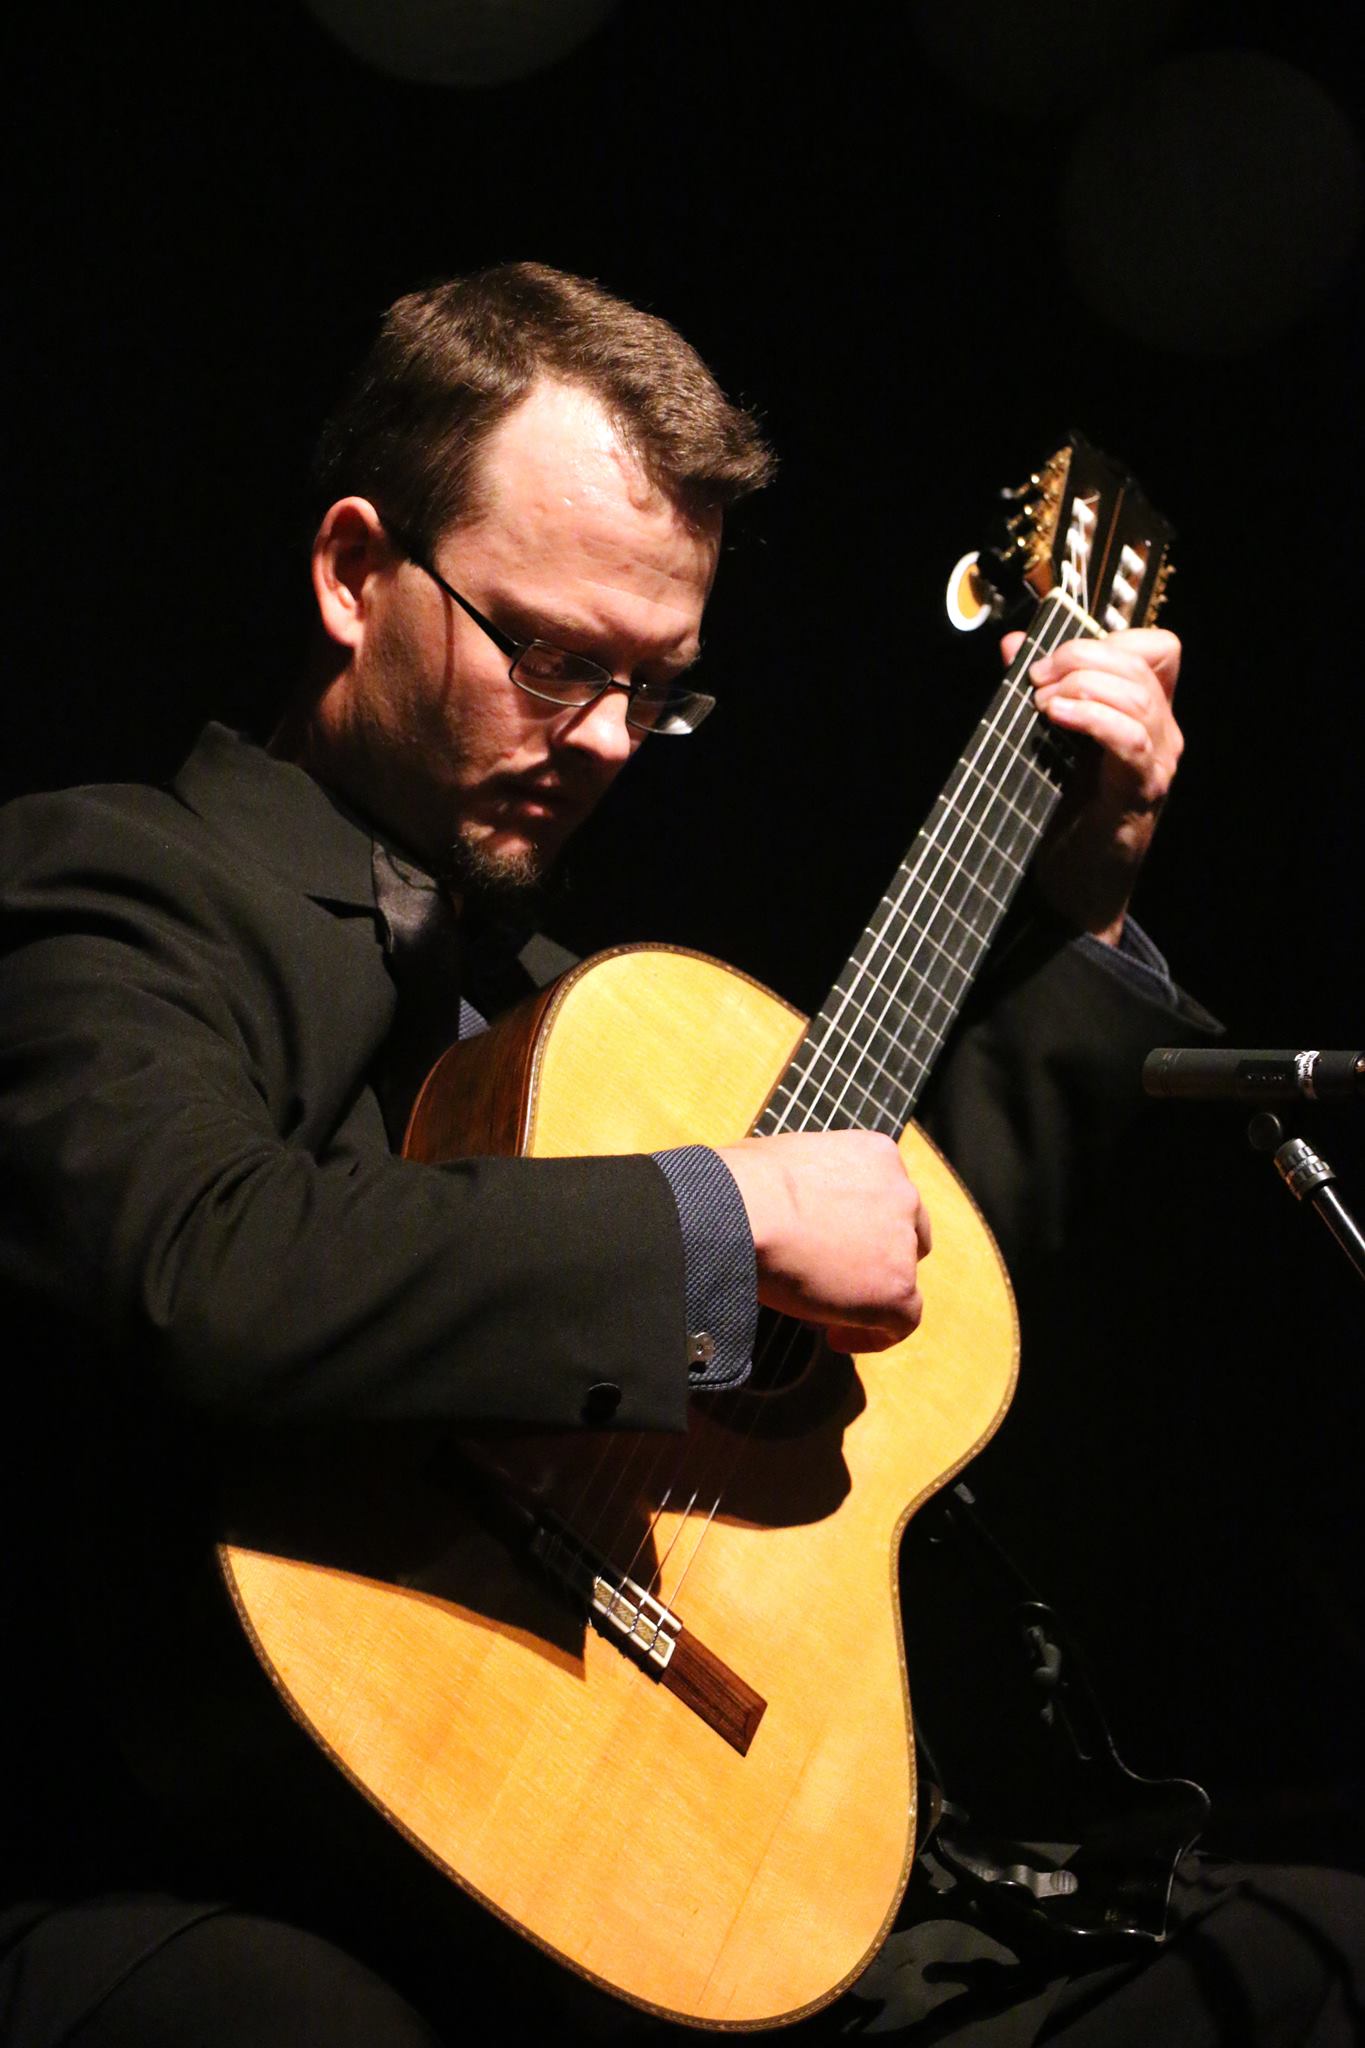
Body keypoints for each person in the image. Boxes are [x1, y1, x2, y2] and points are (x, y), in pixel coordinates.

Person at [0, 263, 1357, 2047]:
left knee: (1325, 1949)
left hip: (674, 1847)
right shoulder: (117, 885)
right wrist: (723, 1224)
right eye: (554, 658)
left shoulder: (583, 1000)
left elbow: (898, 1303)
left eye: (662, 690)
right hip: (231, 1859)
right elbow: (201, 1258)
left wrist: (1085, 906)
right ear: (352, 575)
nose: (609, 743)